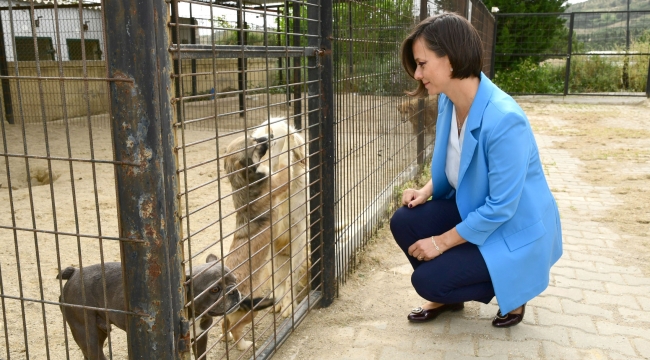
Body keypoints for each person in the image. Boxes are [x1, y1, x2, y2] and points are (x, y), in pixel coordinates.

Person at [390, 13, 562, 328]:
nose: (417, 73)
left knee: (427, 281)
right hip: (474, 208)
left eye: (422, 63)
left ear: (451, 59)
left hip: (511, 229)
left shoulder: (505, 119)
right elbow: (460, 162)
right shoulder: (447, 101)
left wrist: (440, 243)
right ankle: (450, 294)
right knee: (404, 221)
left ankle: (514, 286)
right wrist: (425, 191)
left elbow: (501, 208)